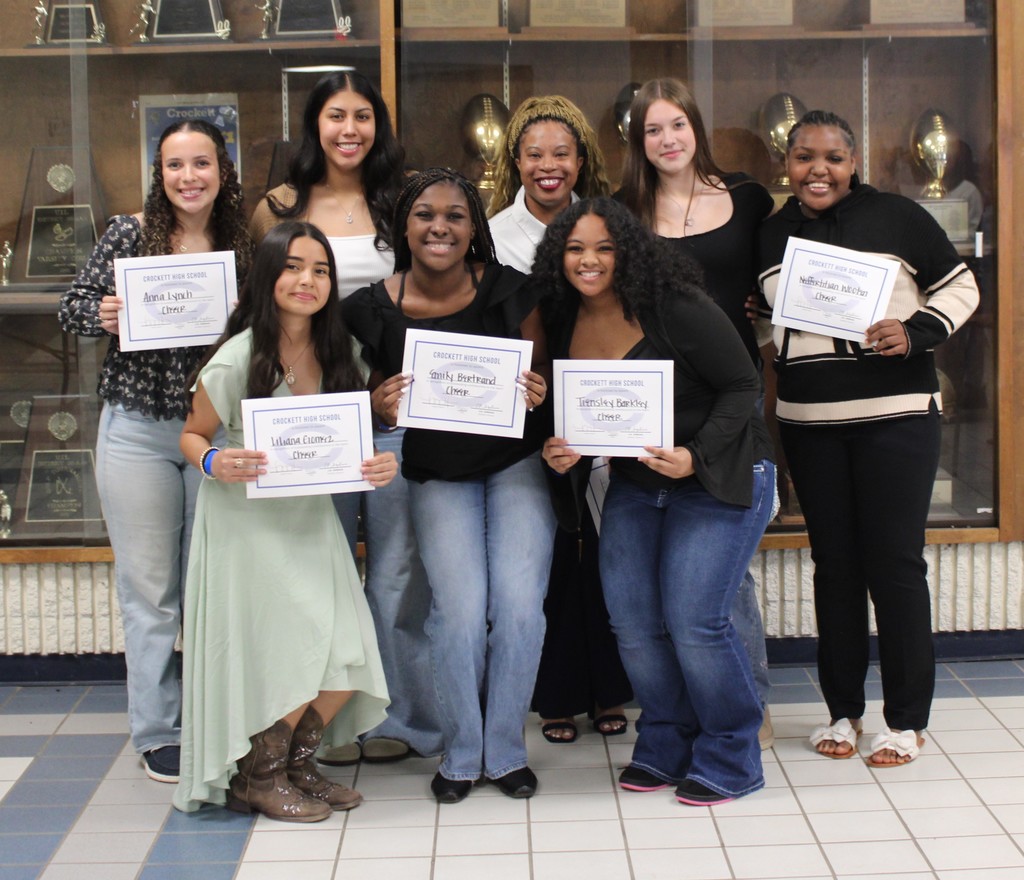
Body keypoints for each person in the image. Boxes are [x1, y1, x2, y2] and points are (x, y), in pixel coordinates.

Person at [756, 110, 979, 766]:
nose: (816, 169)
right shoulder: (772, 234)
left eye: (831, 157)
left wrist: (914, 332)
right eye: (803, 157)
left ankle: (906, 720)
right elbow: (773, 323)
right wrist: (762, 319)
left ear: (853, 162)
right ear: (788, 164)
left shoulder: (901, 218)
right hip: (810, 424)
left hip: (896, 417)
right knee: (836, 569)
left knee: (896, 565)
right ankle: (842, 712)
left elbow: (961, 287)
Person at [537, 197, 775, 806]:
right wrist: (565, 451)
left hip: (718, 474)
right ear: (557, 257)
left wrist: (695, 454)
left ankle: (732, 753)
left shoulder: (676, 307)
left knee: (696, 621)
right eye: (574, 249)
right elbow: (587, 417)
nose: (588, 261)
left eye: (604, 248)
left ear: (630, 254)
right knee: (634, 624)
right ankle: (667, 740)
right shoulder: (564, 320)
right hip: (639, 486)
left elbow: (744, 383)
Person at [343, 167, 556, 804]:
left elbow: (541, 377)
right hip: (435, 471)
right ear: (402, 227)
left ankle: (507, 750)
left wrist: (538, 393)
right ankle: (463, 752)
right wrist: (374, 405)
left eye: (456, 215)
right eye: (426, 215)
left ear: (474, 229)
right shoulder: (369, 308)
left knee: (519, 610)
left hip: (517, 464)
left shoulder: (516, 291)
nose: (440, 226)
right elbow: (346, 393)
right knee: (457, 613)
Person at [251, 70, 442, 766]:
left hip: (394, 412)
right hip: (314, 420)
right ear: (315, 124)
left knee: (397, 577)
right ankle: (322, 729)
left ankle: (408, 719)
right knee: (321, 574)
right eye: (336, 115)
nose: (350, 129)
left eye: (364, 115)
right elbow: (260, 308)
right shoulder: (278, 205)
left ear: (379, 125)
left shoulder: (407, 199)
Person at [173, 221, 394, 821]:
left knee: (344, 651)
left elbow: (354, 436)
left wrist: (377, 465)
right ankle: (259, 775)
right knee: (288, 649)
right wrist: (217, 460)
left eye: (320, 270)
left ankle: (295, 764)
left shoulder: (338, 349)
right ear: (268, 277)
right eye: (294, 267)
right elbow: (193, 434)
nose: (307, 280)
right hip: (248, 523)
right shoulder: (239, 354)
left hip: (312, 520)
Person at [59, 120, 253, 784]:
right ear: (159, 172)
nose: (189, 177)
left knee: (210, 584)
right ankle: (157, 730)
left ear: (223, 170)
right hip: (138, 431)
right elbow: (73, 308)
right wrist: (105, 314)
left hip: (215, 431)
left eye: (202, 163)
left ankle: (211, 718)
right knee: (150, 591)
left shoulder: (243, 243)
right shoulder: (125, 233)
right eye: (176, 165)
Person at [618, 77, 776, 747]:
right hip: (655, 411)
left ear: (696, 128)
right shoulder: (624, 211)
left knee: (724, 570)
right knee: (682, 578)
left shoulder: (747, 199)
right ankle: (690, 707)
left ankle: (748, 703)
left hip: (733, 401)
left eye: (676, 125)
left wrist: (764, 318)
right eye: (652, 130)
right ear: (638, 142)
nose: (667, 140)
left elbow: (774, 285)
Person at [487, 95, 631, 744]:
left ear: (582, 160)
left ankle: (609, 688)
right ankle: (555, 694)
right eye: (534, 154)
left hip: (601, 403)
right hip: (526, 415)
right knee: (551, 555)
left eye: (562, 154)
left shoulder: (606, 223)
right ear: (515, 160)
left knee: (604, 549)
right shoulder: (491, 236)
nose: (549, 166)